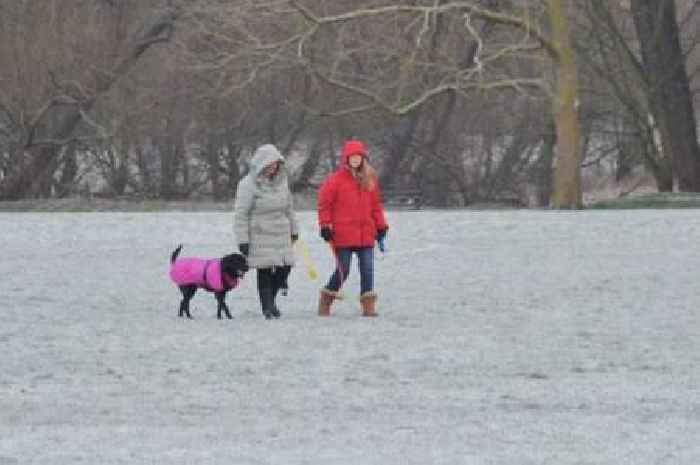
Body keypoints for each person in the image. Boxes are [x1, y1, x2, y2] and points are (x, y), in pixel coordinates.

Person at [317, 138, 389, 317]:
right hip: (343, 235)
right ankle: (327, 297)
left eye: (359, 157)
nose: (356, 160)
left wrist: (381, 225)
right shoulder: (335, 180)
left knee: (367, 269)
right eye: (352, 157)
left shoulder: (370, 179)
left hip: (366, 233)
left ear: (363, 158)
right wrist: (325, 225)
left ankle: (368, 305)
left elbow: (375, 206)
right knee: (344, 269)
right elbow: (325, 205)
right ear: (346, 159)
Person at [234, 144, 298, 319]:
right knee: (264, 270)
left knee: (285, 268)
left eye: (275, 165)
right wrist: (243, 240)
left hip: (281, 232)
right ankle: (268, 307)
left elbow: (289, 208)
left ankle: (272, 300)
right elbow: (241, 214)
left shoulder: (282, 182)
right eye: (269, 165)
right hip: (260, 233)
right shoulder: (247, 185)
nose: (272, 169)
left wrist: (294, 229)